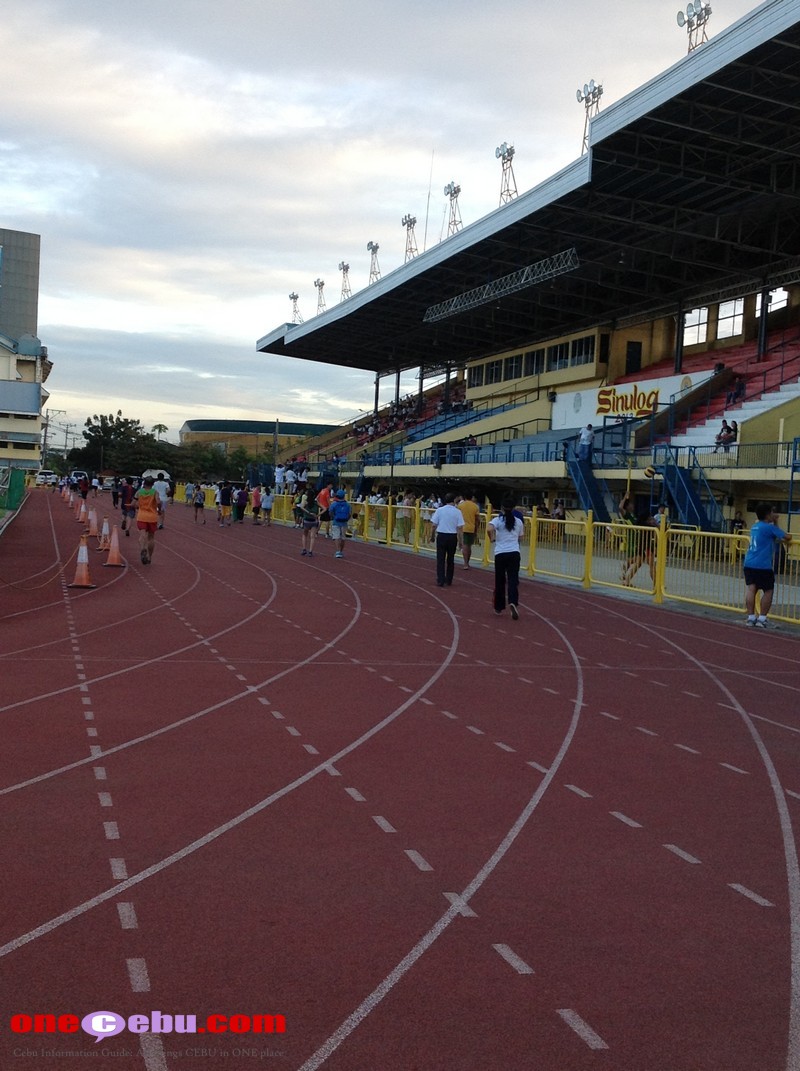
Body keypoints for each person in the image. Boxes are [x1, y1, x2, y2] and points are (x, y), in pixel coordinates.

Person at [743, 503, 792, 628]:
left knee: (751, 588)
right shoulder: (768, 528)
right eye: (772, 512)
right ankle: (762, 618)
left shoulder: (755, 526)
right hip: (762, 565)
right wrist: (775, 523)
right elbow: (787, 536)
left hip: (749, 562)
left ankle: (751, 617)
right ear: (768, 514)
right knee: (768, 590)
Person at [488, 494, 524, 618]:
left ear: (502, 508)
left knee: (500, 580)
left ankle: (498, 606)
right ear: (513, 508)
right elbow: (520, 537)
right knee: (513, 580)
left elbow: (489, 528)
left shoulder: (497, 520)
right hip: (514, 553)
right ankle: (513, 602)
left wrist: (492, 537)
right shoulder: (518, 522)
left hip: (500, 553)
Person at [431, 493, 464, 587]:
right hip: (452, 537)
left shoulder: (439, 510)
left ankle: (440, 579)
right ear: (454, 500)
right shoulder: (458, 512)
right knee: (450, 559)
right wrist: (460, 542)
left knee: (440, 559)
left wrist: (432, 536)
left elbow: (434, 525)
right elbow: (460, 528)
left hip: (441, 535)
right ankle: (449, 579)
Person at [133, 476, 162, 565]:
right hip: (152, 517)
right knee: (151, 537)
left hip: (142, 516)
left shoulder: (139, 492)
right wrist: (159, 510)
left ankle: (142, 548)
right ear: (153, 484)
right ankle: (149, 557)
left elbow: (134, 503)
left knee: (142, 535)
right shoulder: (154, 492)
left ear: (144, 483)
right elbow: (158, 502)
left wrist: (137, 508)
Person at [457, 491, 481, 569]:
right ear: (472, 497)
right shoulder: (475, 506)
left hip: (462, 527)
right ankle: (467, 562)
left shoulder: (460, 506)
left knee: (464, 546)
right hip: (471, 527)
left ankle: (465, 563)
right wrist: (476, 528)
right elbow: (477, 519)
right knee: (469, 546)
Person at [330, 489, 352, 559]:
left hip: (336, 522)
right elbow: (349, 514)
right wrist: (346, 519)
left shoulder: (334, 504)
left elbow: (330, 512)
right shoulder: (348, 505)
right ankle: (341, 551)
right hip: (344, 522)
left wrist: (334, 517)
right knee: (343, 537)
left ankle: (337, 551)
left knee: (336, 536)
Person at [299, 487, 320, 556]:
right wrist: (317, 515)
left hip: (307, 520)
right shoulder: (316, 503)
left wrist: (308, 512)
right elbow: (325, 508)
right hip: (314, 520)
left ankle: (304, 549)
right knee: (312, 536)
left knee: (305, 535)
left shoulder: (306, 502)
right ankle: (310, 551)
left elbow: (301, 507)